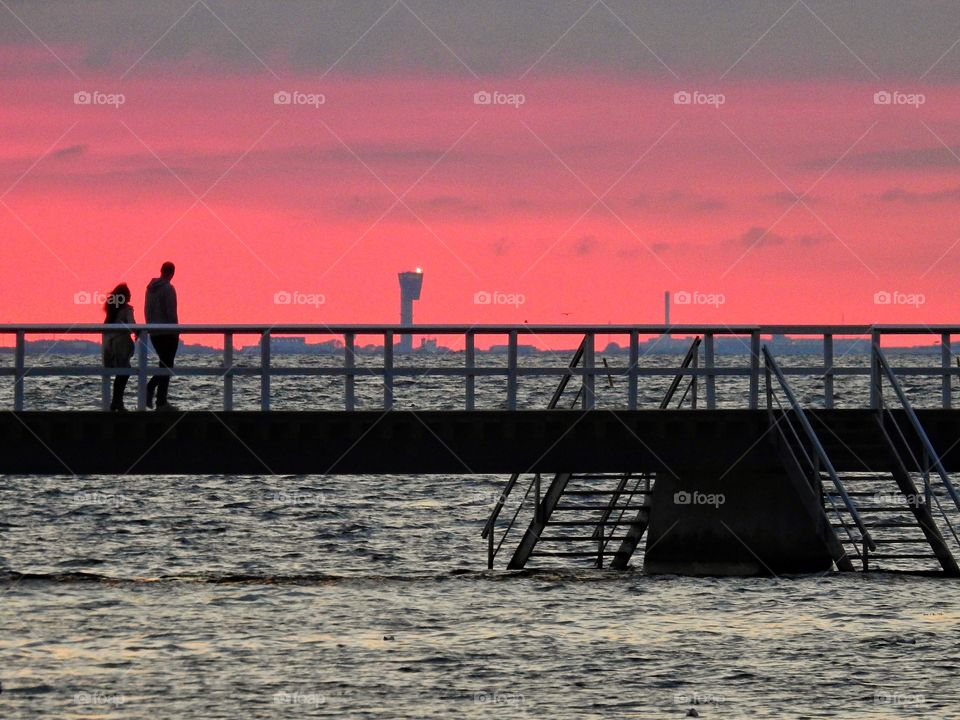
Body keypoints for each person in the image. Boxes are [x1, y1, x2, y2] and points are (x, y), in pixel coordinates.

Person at [145, 261, 180, 411]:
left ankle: (158, 397)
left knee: (163, 364)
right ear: (172, 272)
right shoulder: (168, 289)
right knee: (167, 365)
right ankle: (159, 399)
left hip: (154, 332)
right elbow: (171, 312)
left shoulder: (149, 290)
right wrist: (175, 330)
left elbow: (146, 310)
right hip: (167, 333)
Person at [102, 284, 136, 412]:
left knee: (120, 372)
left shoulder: (111, 309)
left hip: (109, 344)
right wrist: (138, 332)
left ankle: (115, 402)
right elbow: (132, 325)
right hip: (121, 344)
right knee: (125, 371)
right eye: (129, 293)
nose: (131, 295)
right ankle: (117, 402)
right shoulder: (127, 310)